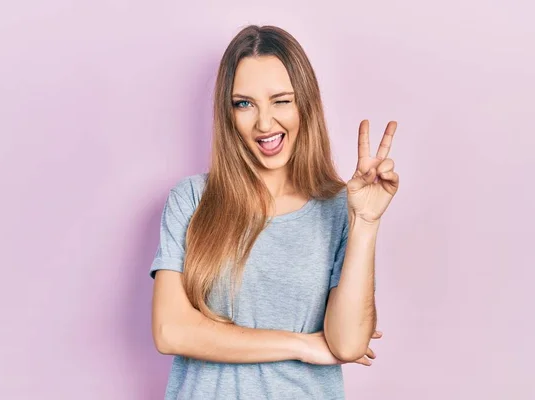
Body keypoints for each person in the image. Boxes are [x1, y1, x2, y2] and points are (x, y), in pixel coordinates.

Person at [149, 24, 399, 400]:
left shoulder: (338, 209)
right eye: (244, 103)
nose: (264, 123)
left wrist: (365, 222)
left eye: (281, 100)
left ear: (306, 104)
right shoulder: (192, 199)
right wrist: (300, 344)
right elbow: (170, 331)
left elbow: (347, 345)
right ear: (228, 112)